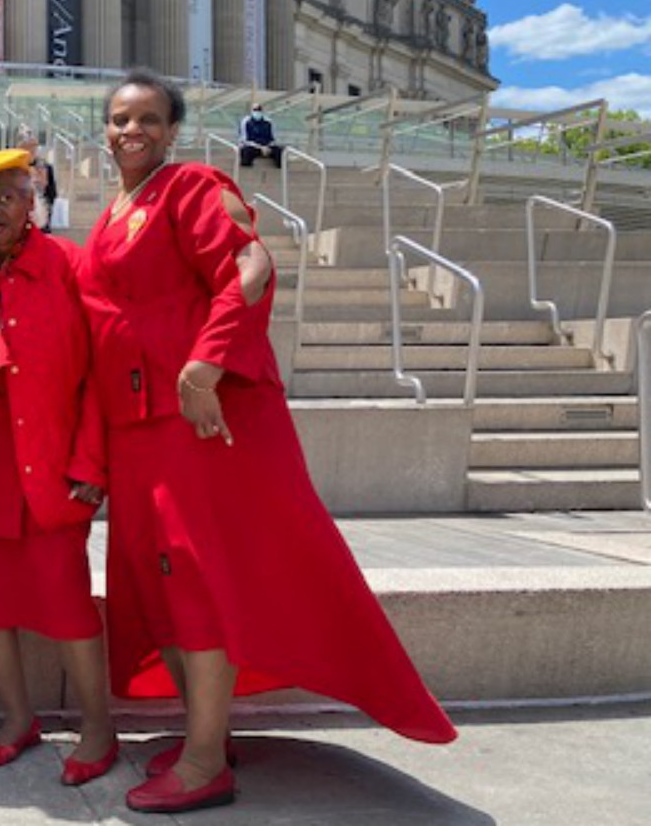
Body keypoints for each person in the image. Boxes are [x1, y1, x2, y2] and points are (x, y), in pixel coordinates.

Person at [78, 70, 456, 815]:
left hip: (196, 421)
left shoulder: (191, 186)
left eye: (149, 118)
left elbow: (252, 266)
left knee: (196, 582)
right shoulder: (113, 213)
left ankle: (205, 762)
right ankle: (202, 735)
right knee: (164, 584)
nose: (133, 131)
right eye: (120, 119)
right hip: (138, 430)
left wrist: (205, 362)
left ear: (174, 130)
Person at [0, 149, 118, 785]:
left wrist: (92, 463)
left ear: (29, 199)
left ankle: (98, 727)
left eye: (4, 198)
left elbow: (101, 372)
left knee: (67, 605)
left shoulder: (68, 265)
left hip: (52, 467)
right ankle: (17, 719)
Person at [16, 127, 58, 231]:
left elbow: (51, 193)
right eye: (26, 147)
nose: (30, 151)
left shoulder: (45, 167)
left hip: (40, 217)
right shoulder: (14, 169)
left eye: (32, 147)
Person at [237, 103, 283, 169]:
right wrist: (260, 147)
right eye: (255, 110)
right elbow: (244, 139)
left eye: (259, 110)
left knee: (279, 151)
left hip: (267, 146)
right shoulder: (246, 121)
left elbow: (273, 138)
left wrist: (267, 146)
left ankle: (279, 170)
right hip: (252, 146)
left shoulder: (268, 122)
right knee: (246, 151)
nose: (257, 112)